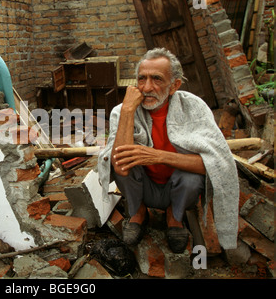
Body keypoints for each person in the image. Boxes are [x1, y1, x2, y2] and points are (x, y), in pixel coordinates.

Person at [97, 47, 239, 253]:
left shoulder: (194, 107)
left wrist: (158, 156)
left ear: (174, 86)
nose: (147, 87)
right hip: (144, 188)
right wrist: (127, 110)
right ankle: (138, 212)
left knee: (192, 178)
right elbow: (120, 168)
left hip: (177, 188)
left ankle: (175, 217)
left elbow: (215, 165)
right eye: (141, 79)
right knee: (121, 157)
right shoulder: (123, 110)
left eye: (157, 79)